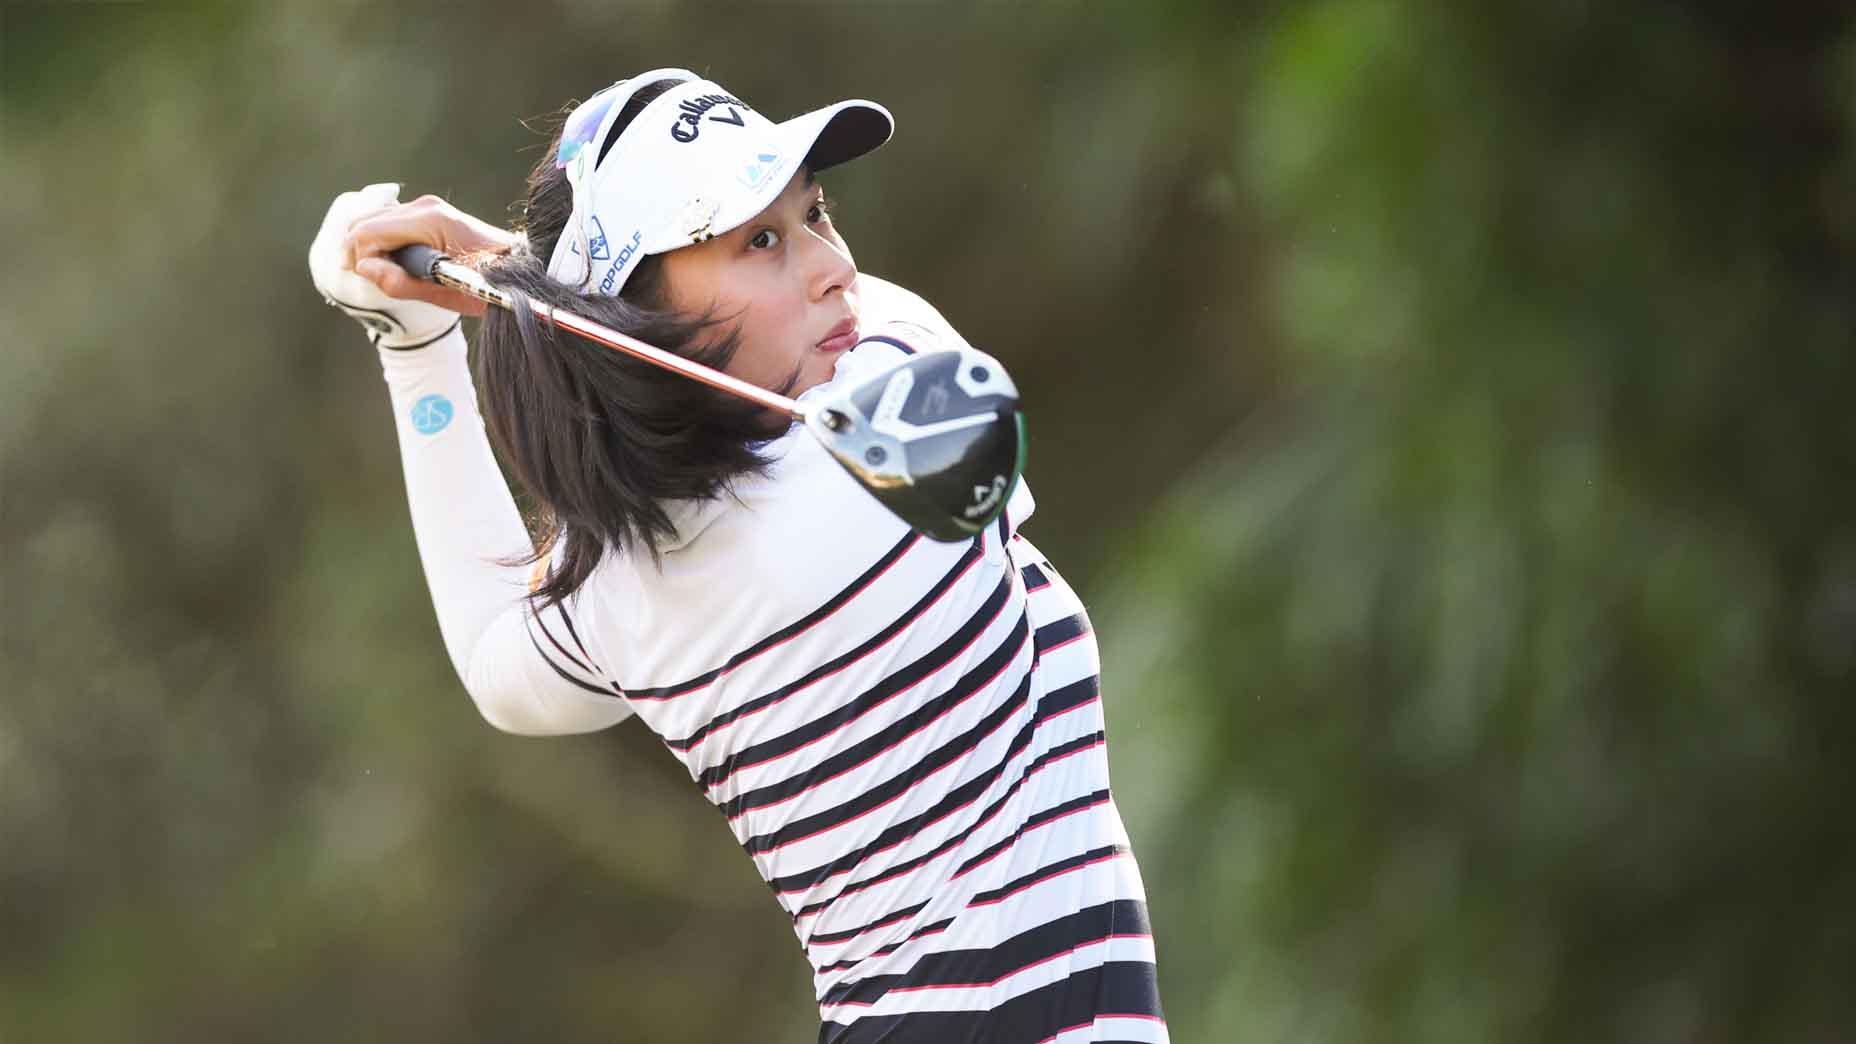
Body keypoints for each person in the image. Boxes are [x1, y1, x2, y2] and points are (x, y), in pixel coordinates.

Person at [307, 67, 1168, 1044]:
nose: (828, 266)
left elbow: (497, 666)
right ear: (638, 317)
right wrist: (525, 276)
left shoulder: (625, 589)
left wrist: (415, 348)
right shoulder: (874, 473)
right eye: (758, 240)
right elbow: (895, 336)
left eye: (816, 213)